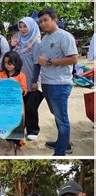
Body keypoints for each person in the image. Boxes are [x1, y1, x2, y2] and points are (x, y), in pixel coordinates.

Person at [36, 8, 78, 156]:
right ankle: (63, 142)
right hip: (47, 83)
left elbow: (73, 59)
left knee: (62, 119)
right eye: (40, 21)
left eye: (45, 20)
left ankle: (61, 151)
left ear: (55, 19)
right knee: (56, 114)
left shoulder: (65, 36)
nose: (42, 24)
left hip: (60, 84)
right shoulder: (44, 39)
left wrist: (48, 61)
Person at [12, 17, 43, 141]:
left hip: (33, 80)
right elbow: (12, 57)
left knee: (31, 107)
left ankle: (33, 130)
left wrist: (35, 81)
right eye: (20, 26)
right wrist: (11, 45)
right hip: (21, 81)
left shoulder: (37, 43)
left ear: (32, 27)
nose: (22, 29)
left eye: (25, 26)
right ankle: (23, 128)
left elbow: (38, 63)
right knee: (22, 106)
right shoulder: (19, 42)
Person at [0, 51, 27, 155]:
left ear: (17, 63)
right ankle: (10, 146)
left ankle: (18, 146)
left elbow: (24, 91)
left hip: (17, 105)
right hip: (5, 106)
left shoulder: (21, 76)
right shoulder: (1, 74)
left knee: (19, 125)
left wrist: (15, 84)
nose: (7, 65)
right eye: (5, 63)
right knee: (7, 125)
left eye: (10, 63)